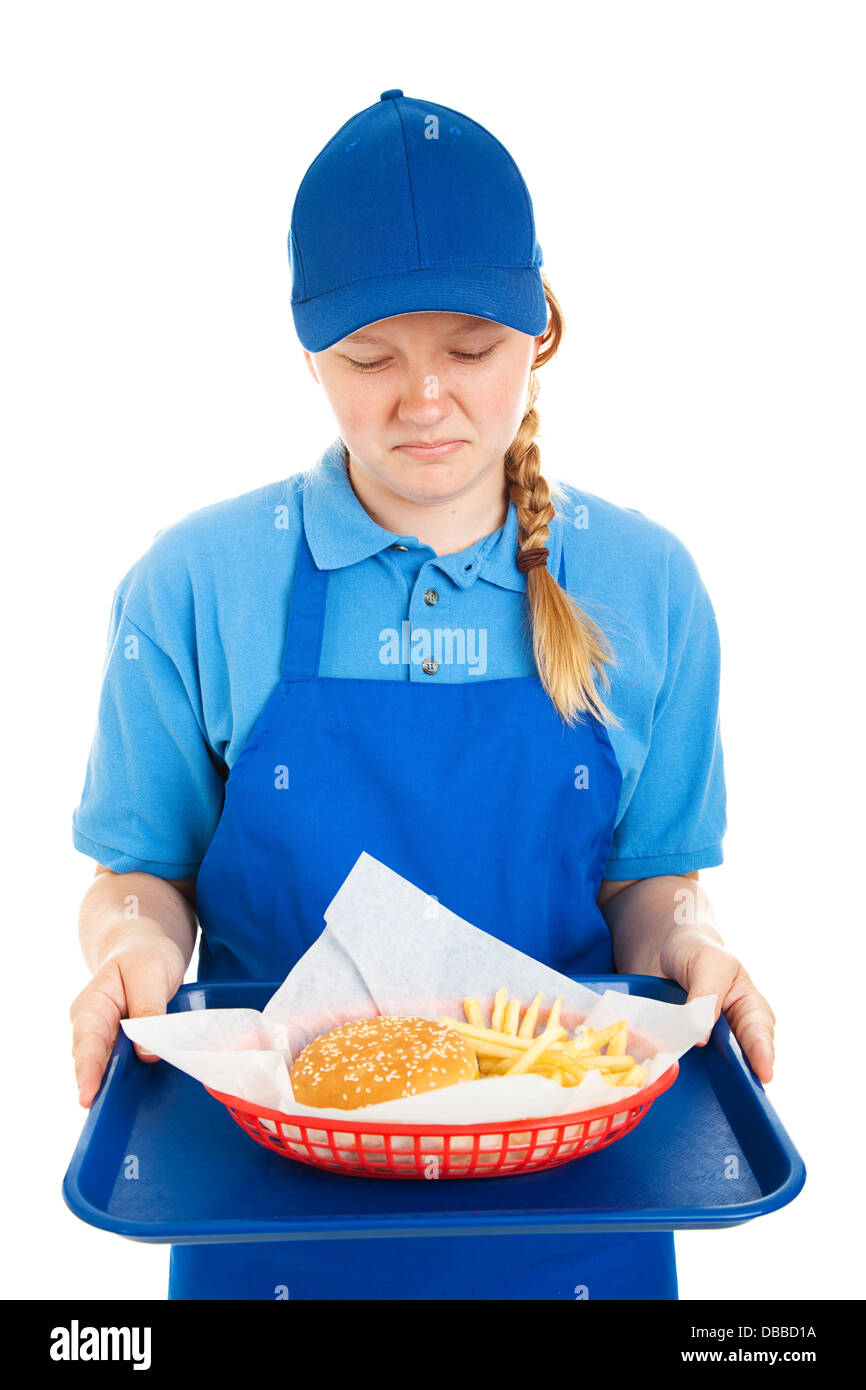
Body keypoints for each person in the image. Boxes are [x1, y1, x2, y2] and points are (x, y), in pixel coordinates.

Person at [69, 89, 775, 1300]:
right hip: (268, 1218)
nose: (424, 400)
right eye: (368, 357)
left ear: (541, 327)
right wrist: (130, 946)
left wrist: (696, 952)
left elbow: (652, 890)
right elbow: (142, 874)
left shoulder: (645, 586)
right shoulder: (194, 585)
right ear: (303, 345)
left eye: (469, 347)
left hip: (576, 1211)